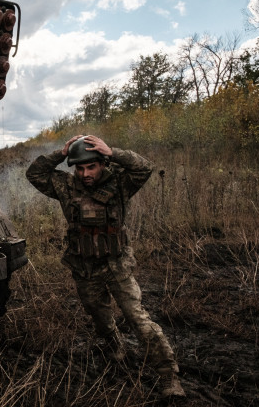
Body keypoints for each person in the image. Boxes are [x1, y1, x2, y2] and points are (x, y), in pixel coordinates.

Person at [26, 135, 185, 398]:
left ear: (102, 164)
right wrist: (61, 152)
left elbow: (144, 167)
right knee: (99, 317)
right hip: (84, 267)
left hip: (116, 266)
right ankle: (114, 347)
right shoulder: (66, 186)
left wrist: (114, 152)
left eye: (91, 167)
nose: (85, 173)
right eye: (79, 168)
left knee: (138, 319)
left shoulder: (120, 183)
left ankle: (168, 375)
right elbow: (35, 174)